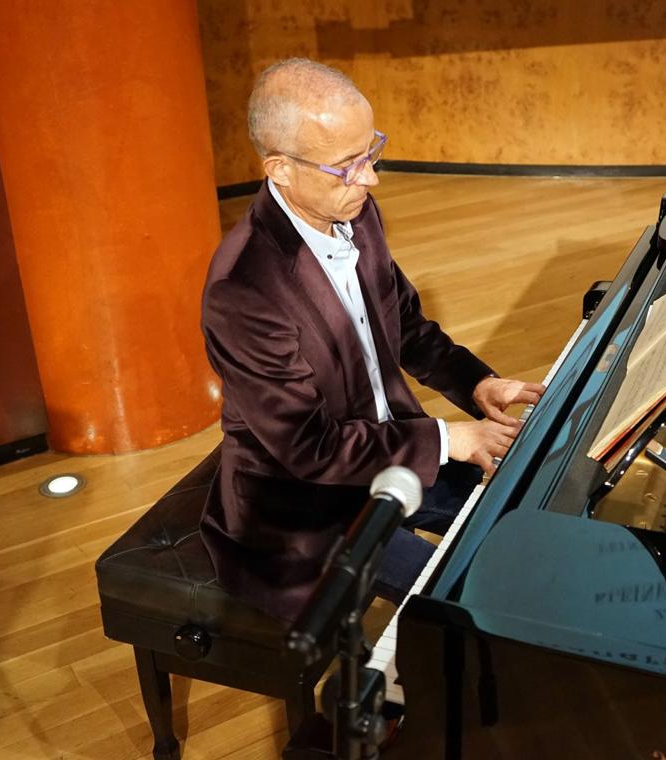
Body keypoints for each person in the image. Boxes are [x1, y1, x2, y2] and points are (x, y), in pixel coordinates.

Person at [199, 58, 545, 621]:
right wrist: (448, 440)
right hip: (305, 505)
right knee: (461, 603)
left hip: (388, 448)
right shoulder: (244, 291)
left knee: (525, 512)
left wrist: (476, 383)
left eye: (371, 153)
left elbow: (404, 322)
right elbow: (308, 447)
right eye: (346, 166)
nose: (370, 178)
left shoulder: (354, 210)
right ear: (280, 169)